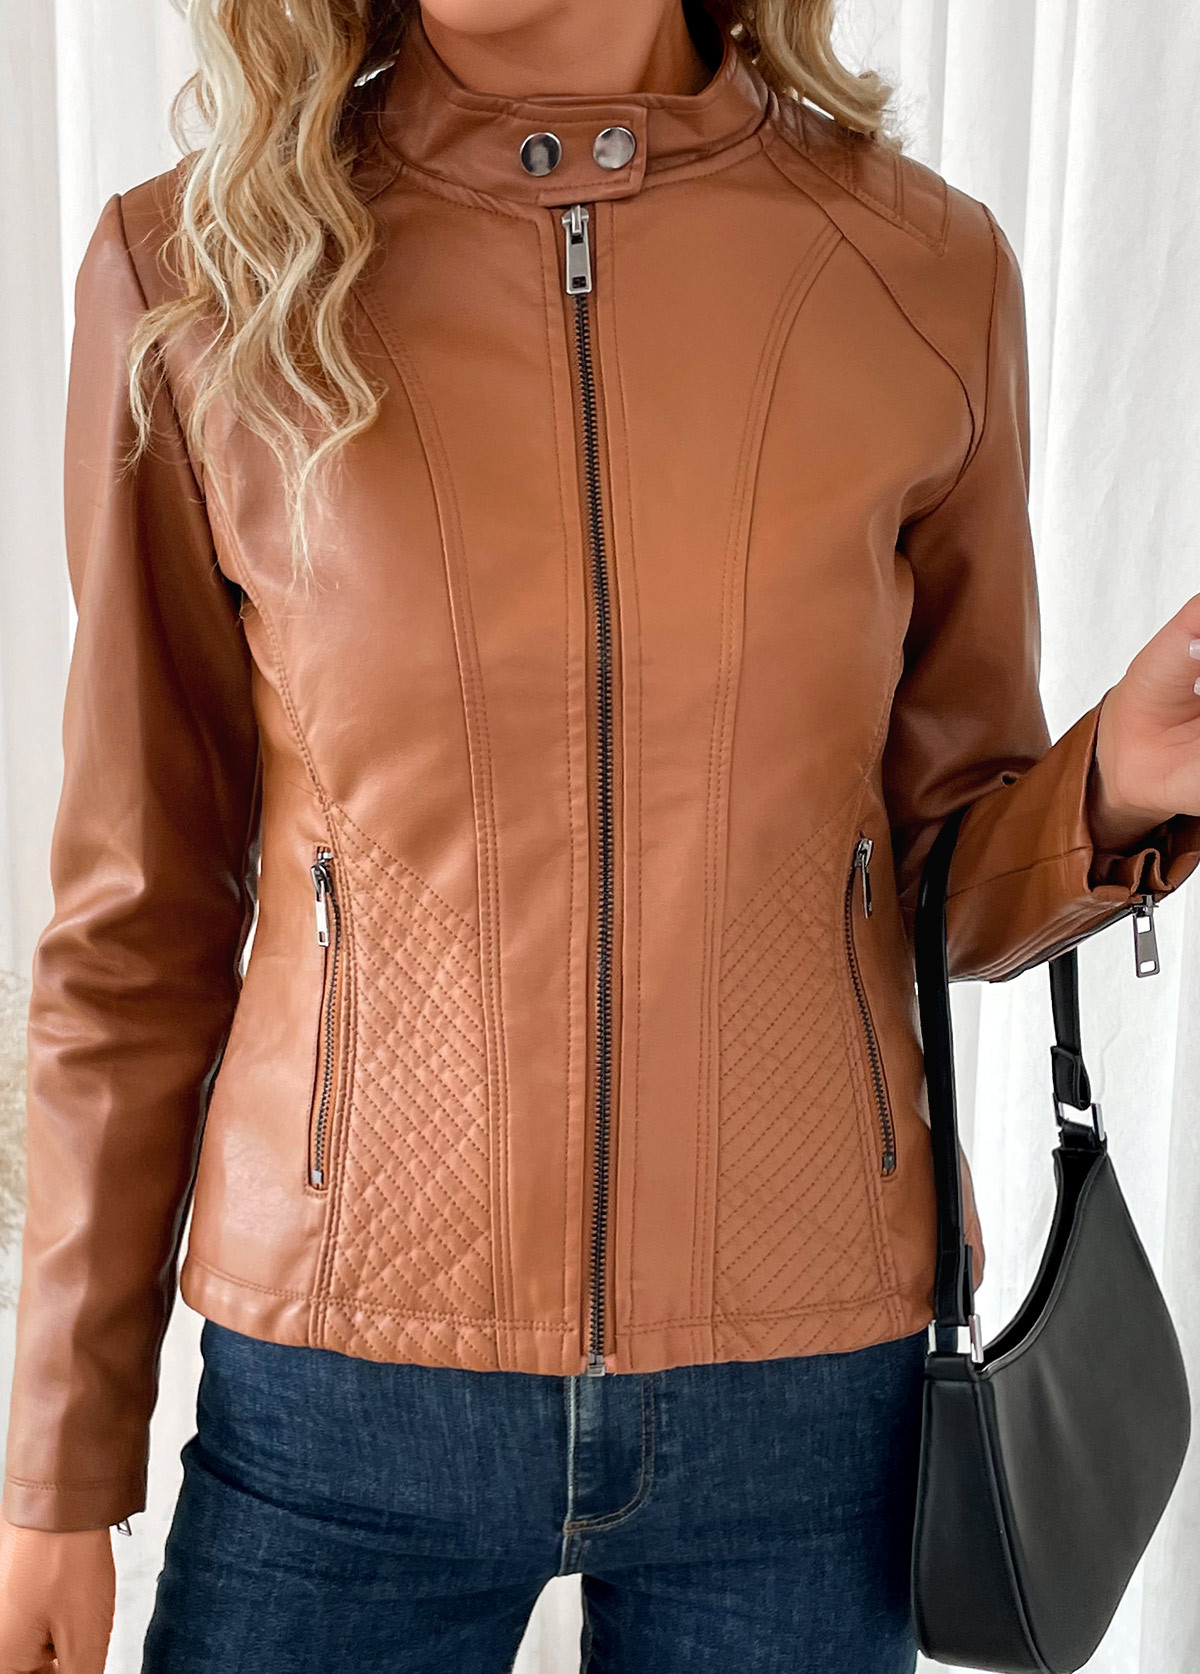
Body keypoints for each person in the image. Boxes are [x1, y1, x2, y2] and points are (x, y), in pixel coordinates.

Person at [2, 0, 1199, 1669]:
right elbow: (137, 925)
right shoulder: (198, 276)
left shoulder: (918, 274)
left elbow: (929, 877)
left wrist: (1113, 789)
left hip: (806, 1405)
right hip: (345, 1399)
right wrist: (56, 1471)